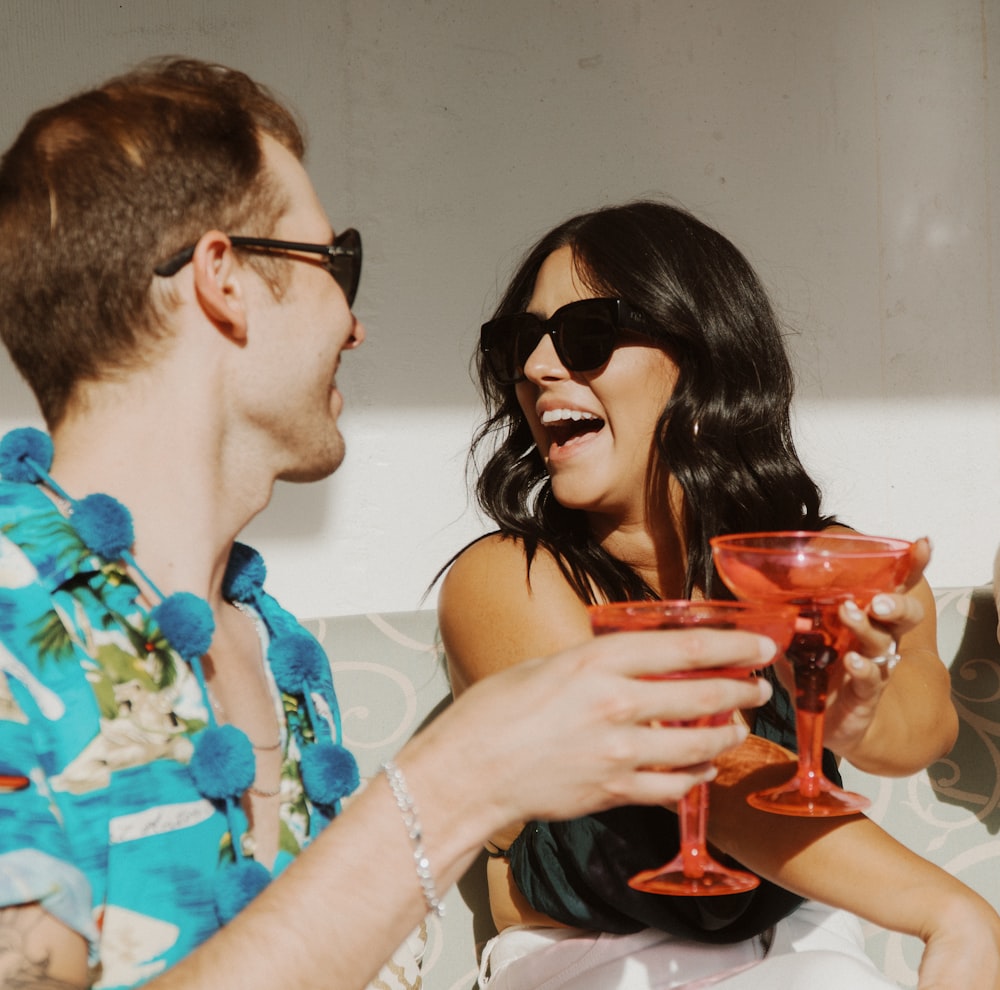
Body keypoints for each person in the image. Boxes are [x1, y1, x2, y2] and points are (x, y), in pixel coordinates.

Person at [0, 62, 786, 990]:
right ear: (224, 281)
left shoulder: (278, 649)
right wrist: (454, 785)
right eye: (336, 264)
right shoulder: (13, 615)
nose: (356, 323)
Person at [437, 200, 999, 988]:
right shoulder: (508, 580)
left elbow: (922, 734)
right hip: (588, 957)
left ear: (700, 358)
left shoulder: (828, 563)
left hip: (804, 938)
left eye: (585, 336)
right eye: (519, 342)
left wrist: (855, 717)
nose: (535, 368)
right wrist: (955, 913)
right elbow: (703, 766)